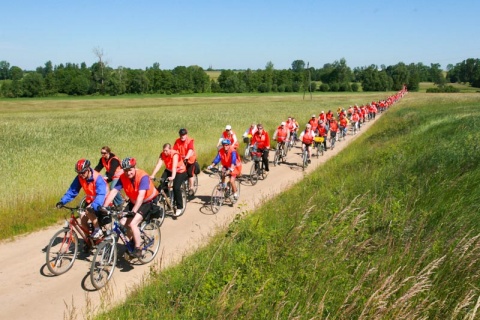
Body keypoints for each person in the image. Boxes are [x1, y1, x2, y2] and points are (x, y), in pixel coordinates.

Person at [103, 157, 159, 258]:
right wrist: (104, 206)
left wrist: (133, 212)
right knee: (122, 223)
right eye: (125, 170)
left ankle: (138, 248)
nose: (128, 173)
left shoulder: (143, 176)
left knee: (133, 224)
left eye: (130, 170)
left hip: (147, 202)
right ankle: (132, 242)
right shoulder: (123, 178)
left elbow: (141, 196)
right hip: (134, 201)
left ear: (134, 167)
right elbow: (114, 191)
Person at [56, 159, 108, 239]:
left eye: (83, 172)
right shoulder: (80, 178)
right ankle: (88, 241)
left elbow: (101, 194)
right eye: (79, 173)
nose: (81, 175)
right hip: (90, 200)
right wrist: (62, 202)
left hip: (101, 200)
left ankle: (98, 230)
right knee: (83, 220)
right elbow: (72, 191)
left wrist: (94, 205)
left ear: (88, 169)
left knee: (88, 211)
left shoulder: (97, 178)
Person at [150, 143, 188, 216]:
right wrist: (152, 175)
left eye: (166, 151)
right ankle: (164, 199)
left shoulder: (175, 155)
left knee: (176, 187)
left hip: (180, 171)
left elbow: (174, 166)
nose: (165, 152)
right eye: (164, 150)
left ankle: (179, 207)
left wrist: (173, 177)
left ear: (170, 149)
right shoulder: (162, 155)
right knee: (161, 185)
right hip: (169, 170)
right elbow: (158, 165)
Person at [173, 128, 197, 196]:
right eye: (181, 135)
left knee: (190, 173)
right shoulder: (177, 141)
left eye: (183, 135)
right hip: (181, 160)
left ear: (186, 135)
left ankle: (191, 188)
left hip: (190, 159)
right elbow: (174, 150)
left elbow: (190, 149)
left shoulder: (189, 141)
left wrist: (187, 157)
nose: (182, 136)